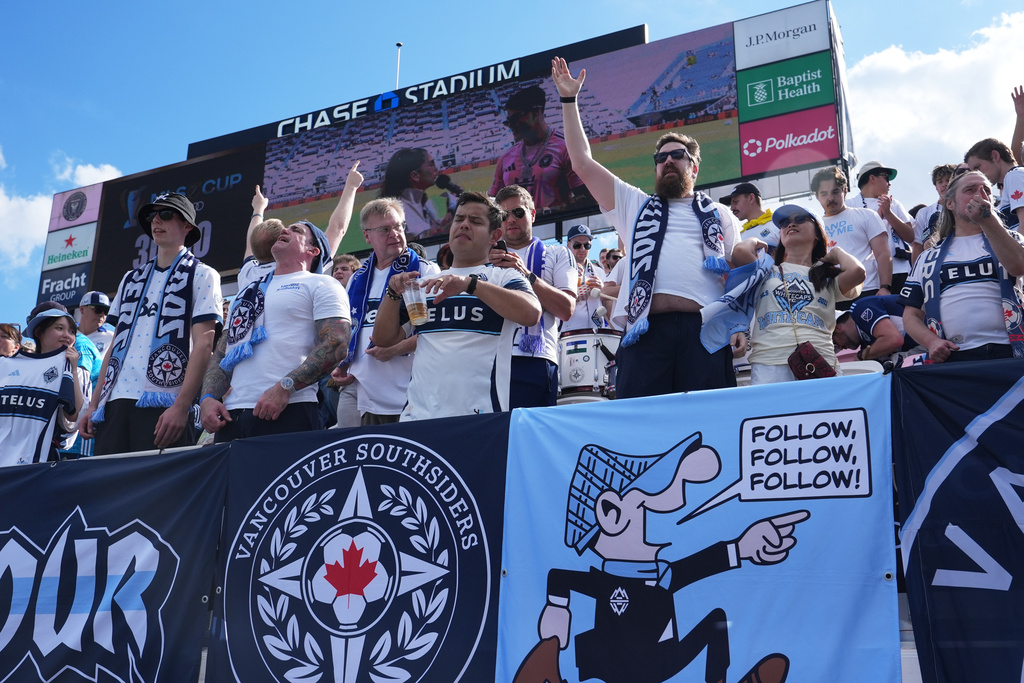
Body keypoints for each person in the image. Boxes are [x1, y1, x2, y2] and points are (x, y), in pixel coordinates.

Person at [551, 57, 748, 398]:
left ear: (695, 168)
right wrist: (569, 101)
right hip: (645, 334)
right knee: (640, 429)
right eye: (661, 158)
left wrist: (740, 324)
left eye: (678, 156)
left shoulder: (719, 214)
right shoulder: (634, 205)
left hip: (705, 332)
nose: (668, 161)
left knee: (710, 424)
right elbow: (581, 163)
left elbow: (734, 275)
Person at [373, 192, 541, 421]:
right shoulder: (423, 284)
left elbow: (531, 313)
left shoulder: (503, 278)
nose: (464, 225)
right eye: (459, 219)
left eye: (475, 221)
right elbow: (384, 339)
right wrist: (392, 294)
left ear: (495, 235)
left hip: (479, 417)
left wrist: (470, 285)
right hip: (418, 417)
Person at [79, 192, 222, 455]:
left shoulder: (203, 274)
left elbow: (204, 344)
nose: (156, 220)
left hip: (165, 405)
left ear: (188, 225)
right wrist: (93, 405)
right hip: (116, 402)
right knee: (109, 492)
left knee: (162, 494)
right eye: (152, 215)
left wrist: (181, 405)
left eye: (166, 214)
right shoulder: (130, 278)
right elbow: (114, 345)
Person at [200, 222, 351, 441]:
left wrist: (284, 388)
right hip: (231, 417)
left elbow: (337, 343)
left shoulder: (321, 284)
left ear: (313, 250)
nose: (285, 230)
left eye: (296, 230)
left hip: (289, 410)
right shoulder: (246, 294)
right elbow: (224, 351)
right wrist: (208, 398)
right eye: (285, 228)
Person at [332, 198, 441, 425]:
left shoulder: (424, 269)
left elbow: (436, 330)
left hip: (411, 395)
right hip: (365, 395)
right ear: (367, 236)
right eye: (384, 229)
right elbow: (354, 329)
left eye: (398, 226)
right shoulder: (357, 279)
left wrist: (396, 349)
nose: (394, 233)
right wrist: (346, 362)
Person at [900, 170, 1024, 363]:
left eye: (986, 190)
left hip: (1011, 353)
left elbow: (1019, 266)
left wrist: (987, 220)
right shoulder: (927, 257)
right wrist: (932, 342)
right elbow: (911, 315)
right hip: (955, 356)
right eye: (970, 189)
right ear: (950, 203)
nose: (980, 194)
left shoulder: (1014, 240)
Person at [733, 206, 864, 384]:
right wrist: (755, 240)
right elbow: (739, 253)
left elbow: (858, 271)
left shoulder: (826, 275)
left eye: (800, 219)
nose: (791, 224)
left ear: (817, 233)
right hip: (770, 363)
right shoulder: (767, 270)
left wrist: (837, 253)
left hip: (820, 360)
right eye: (785, 222)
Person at [492, 184, 577, 408]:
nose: (510, 219)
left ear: (532, 214)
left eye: (518, 212)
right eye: (503, 215)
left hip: (535, 359)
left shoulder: (557, 252)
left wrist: (526, 275)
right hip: (489, 358)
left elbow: (566, 309)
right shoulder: (485, 258)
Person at [244, 161, 363, 283]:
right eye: (290, 230)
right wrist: (351, 187)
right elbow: (337, 229)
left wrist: (258, 209)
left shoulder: (247, 274)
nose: (286, 230)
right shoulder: (299, 267)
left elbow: (251, 243)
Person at [1, 309, 84, 465]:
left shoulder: (70, 369)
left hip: (33, 465)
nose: (67, 335)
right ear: (39, 332)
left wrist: (72, 369)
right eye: (59, 328)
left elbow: (74, 417)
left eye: (72, 331)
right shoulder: (5, 365)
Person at [490, 84, 589, 213]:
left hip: (555, 229)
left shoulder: (565, 148)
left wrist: (550, 212)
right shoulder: (505, 158)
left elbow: (586, 198)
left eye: (515, 118)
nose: (510, 126)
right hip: (514, 231)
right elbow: (491, 204)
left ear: (536, 112)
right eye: (508, 121)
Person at [810, 166, 892, 305]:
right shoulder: (813, 227)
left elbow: (883, 253)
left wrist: (885, 287)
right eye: (824, 194)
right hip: (830, 295)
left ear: (845, 190)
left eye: (835, 191)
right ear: (817, 196)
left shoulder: (867, 215)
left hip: (867, 290)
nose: (830, 198)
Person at [849, 161, 914, 292]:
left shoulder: (894, 204)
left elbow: (911, 236)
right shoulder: (850, 205)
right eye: (886, 178)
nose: (889, 183)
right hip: (867, 277)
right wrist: (877, 219)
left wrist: (889, 214)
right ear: (872, 178)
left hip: (900, 270)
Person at [379, 148, 452, 239]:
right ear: (415, 176)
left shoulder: (422, 200)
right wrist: (451, 213)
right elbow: (425, 238)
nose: (436, 168)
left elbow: (435, 228)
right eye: (431, 164)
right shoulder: (398, 210)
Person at [832, 295, 921, 364]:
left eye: (835, 343)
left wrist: (862, 356)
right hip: (924, 345)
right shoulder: (867, 344)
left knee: (897, 364)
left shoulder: (859, 308)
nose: (840, 348)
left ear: (837, 328)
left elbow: (894, 339)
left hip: (930, 333)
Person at [964, 138, 1024, 231]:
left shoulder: (1014, 175)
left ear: (995, 156)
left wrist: (1017, 246)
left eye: (978, 167)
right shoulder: (1013, 178)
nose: (978, 174)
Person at [561, 225, 607, 333]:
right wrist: (574, 295)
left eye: (587, 245)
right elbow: (551, 302)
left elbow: (608, 304)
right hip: (567, 333)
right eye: (577, 245)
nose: (582, 249)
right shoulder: (560, 270)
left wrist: (603, 289)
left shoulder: (599, 272)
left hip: (595, 333)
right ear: (568, 245)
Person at [911, 164, 957, 261]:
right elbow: (917, 245)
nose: (944, 184)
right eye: (940, 182)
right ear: (936, 186)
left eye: (948, 180)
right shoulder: (924, 212)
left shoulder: (962, 208)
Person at [722, 181, 778, 250]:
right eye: (731, 204)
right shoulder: (739, 237)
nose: (732, 208)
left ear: (751, 198)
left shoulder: (779, 225)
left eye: (736, 202)